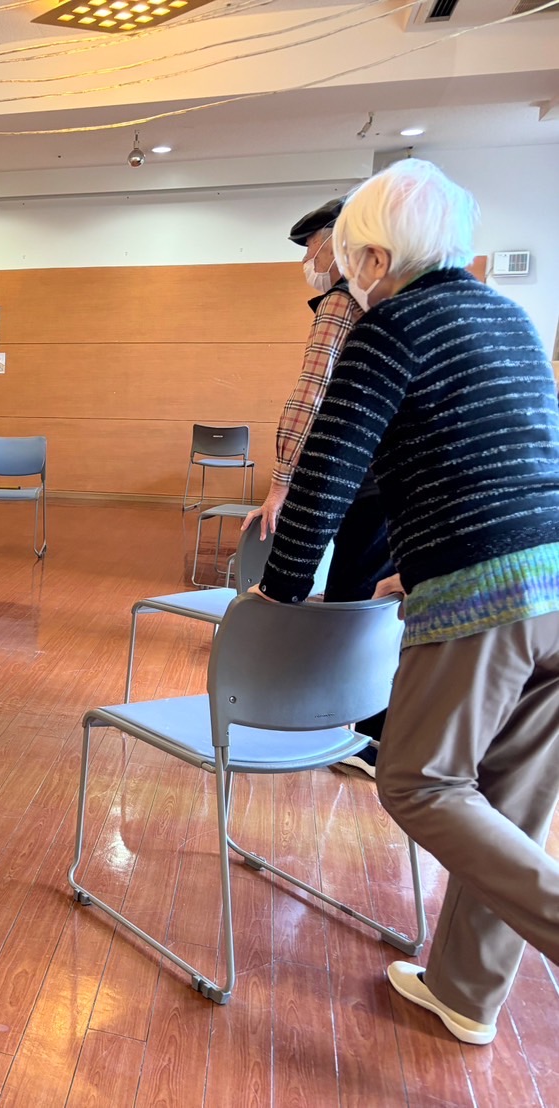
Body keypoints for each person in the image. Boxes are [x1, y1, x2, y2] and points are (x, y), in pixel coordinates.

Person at [255, 158, 559, 1047]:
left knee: (418, 781)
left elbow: (326, 472)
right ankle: (464, 991)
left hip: (488, 593)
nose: (337, 270)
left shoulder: (388, 327)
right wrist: (416, 562)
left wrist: (277, 592)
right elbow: (503, 455)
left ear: (376, 257)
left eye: (344, 254)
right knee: (506, 804)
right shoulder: (509, 315)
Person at [243, 196, 395, 779]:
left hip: (365, 481)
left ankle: (356, 736)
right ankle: (370, 731)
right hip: (407, 485)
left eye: (311, 246)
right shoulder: (409, 303)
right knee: (376, 601)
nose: (307, 260)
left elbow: (312, 398)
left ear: (340, 240)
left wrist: (280, 483)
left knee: (353, 603)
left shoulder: (342, 301)